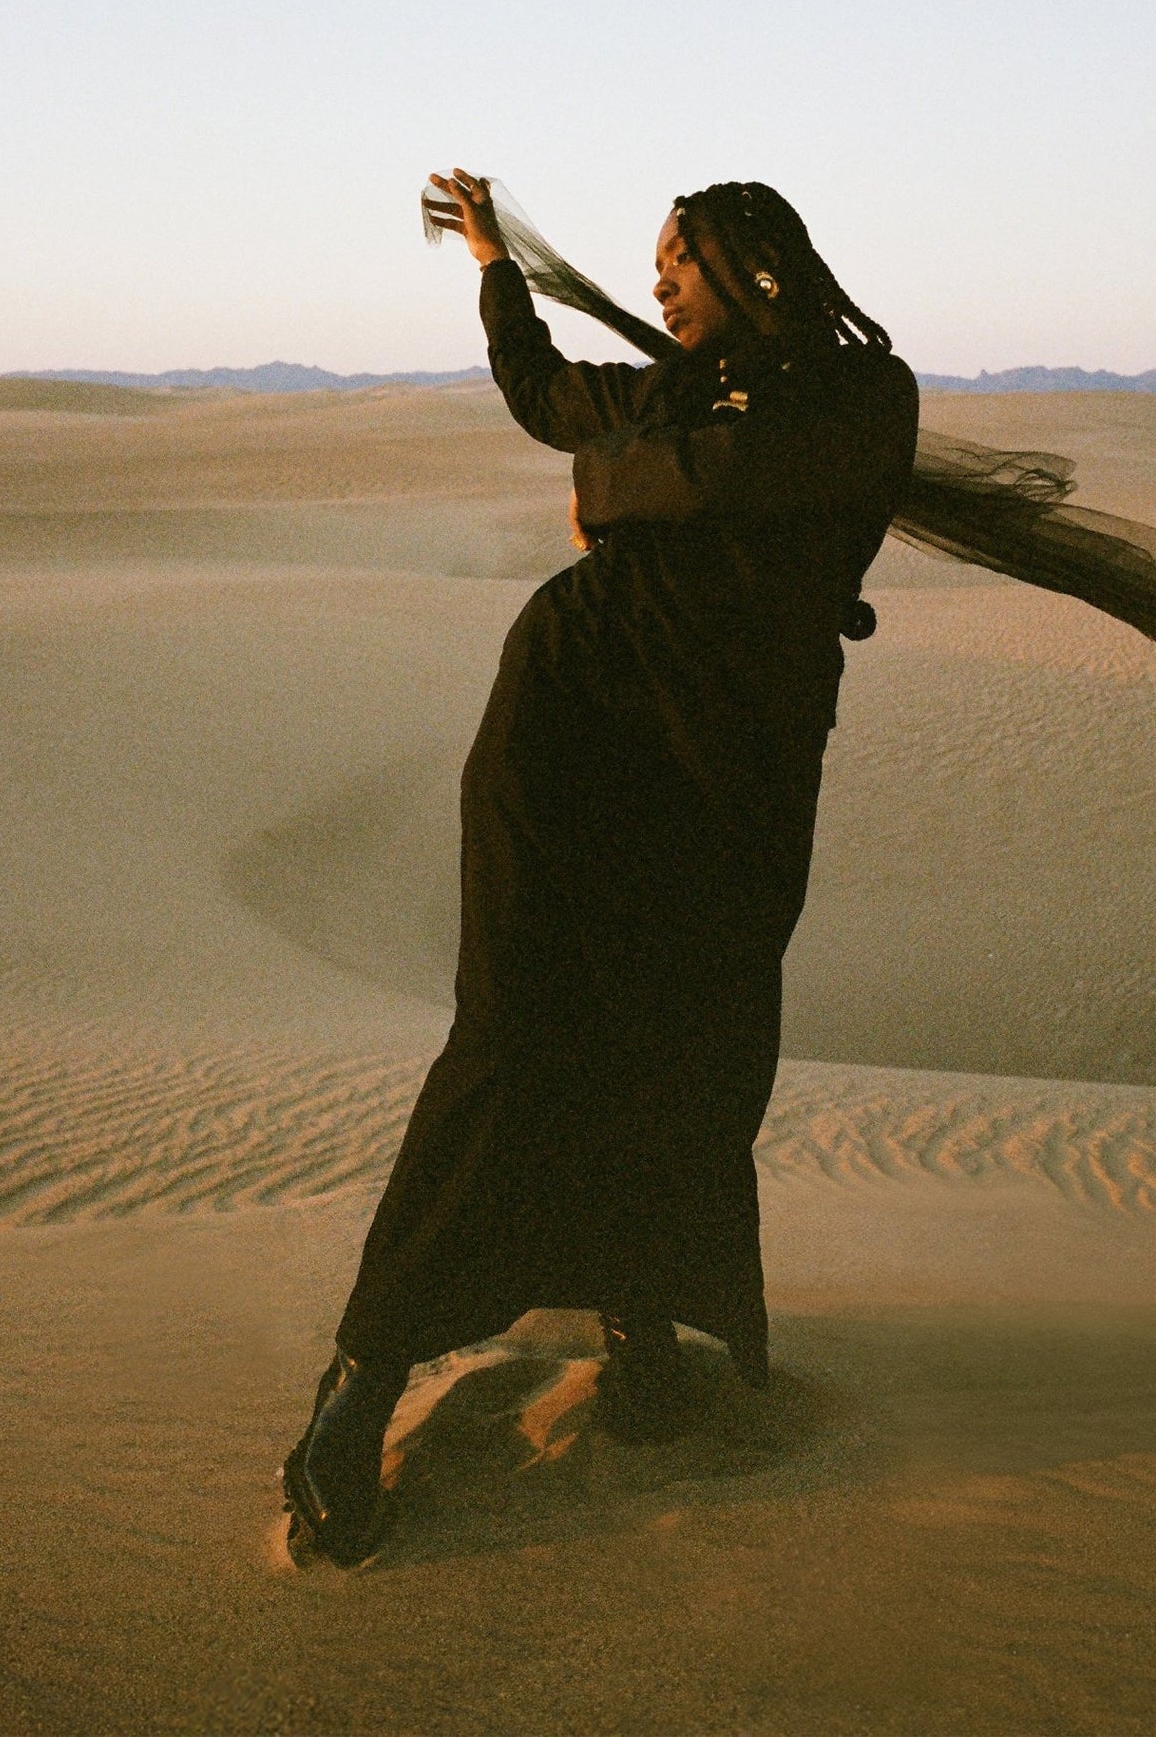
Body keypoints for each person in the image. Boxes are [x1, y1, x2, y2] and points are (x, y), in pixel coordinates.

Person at [282, 171, 921, 1568]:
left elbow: (746, 477)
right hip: (574, 725)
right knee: (512, 1028)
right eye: (650, 267)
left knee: (690, 1032)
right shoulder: (665, 396)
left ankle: (640, 1312)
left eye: (677, 263)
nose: (659, 288)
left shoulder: (856, 397)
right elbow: (536, 392)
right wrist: (496, 265)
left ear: (755, 267)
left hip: (731, 764)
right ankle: (361, 1377)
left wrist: (616, 479)